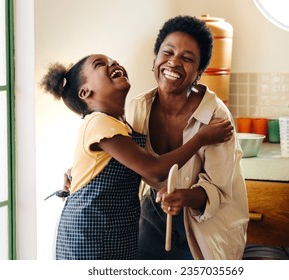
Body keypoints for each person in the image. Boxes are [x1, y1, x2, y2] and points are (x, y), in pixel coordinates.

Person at [40, 53, 234, 260]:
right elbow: (154, 169)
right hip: (89, 236)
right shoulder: (99, 122)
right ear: (85, 92)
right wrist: (201, 138)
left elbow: (101, 166)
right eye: (100, 64)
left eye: (111, 60)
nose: (113, 63)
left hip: (113, 234)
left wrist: (74, 172)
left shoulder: (119, 125)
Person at [126, 15, 249, 260]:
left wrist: (185, 197)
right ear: (155, 60)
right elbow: (122, 156)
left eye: (187, 58)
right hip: (153, 214)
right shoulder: (138, 107)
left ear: (200, 72)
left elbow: (219, 190)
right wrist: (79, 172)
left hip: (205, 224)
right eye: (168, 53)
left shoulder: (215, 115)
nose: (173, 63)